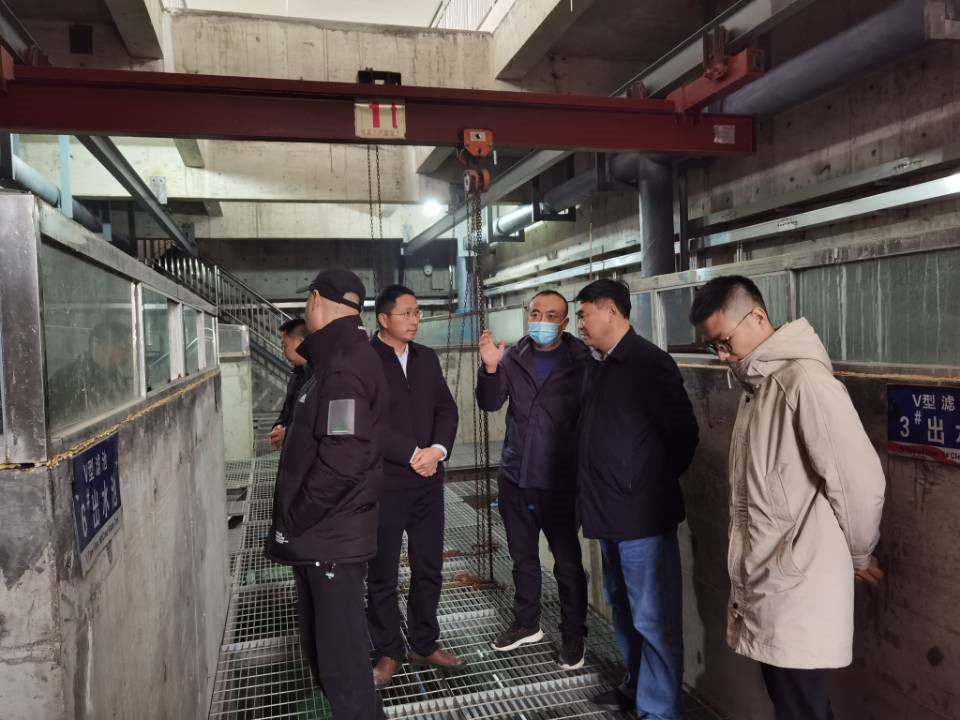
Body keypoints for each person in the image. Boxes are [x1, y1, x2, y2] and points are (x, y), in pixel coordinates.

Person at [688, 275, 885, 720]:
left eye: (724, 342)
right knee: (792, 700)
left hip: (796, 581)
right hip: (770, 578)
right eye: (714, 347)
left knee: (801, 705)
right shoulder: (758, 386)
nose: (722, 356)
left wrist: (860, 553)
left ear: (757, 317)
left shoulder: (803, 383)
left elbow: (857, 479)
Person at [264, 269, 388, 720]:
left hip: (328, 539)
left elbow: (342, 460)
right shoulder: (334, 360)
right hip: (325, 538)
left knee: (342, 668)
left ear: (316, 300)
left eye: (307, 302)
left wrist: (293, 519)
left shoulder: (343, 366)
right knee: (332, 660)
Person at [574, 278, 699, 719]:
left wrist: (643, 486)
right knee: (625, 611)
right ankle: (635, 687)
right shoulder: (599, 365)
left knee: (654, 620)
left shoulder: (649, 363)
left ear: (610, 311)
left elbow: (683, 436)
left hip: (641, 517)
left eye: (584, 314)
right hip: (608, 514)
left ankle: (659, 711)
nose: (579, 323)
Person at [476, 289, 590, 670]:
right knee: (522, 556)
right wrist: (490, 369)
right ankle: (527, 623)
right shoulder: (513, 358)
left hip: (560, 480)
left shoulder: (583, 361)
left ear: (565, 322)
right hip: (517, 475)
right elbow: (490, 402)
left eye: (552, 316)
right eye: (536, 313)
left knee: (567, 562)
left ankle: (573, 633)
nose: (542, 321)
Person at [366, 285, 463, 687]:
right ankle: (389, 650)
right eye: (405, 313)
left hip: (428, 481)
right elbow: (364, 421)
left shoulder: (426, 358)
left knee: (428, 565)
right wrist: (410, 453)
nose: (414, 320)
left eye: (417, 312)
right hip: (385, 483)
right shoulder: (364, 360)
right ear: (383, 318)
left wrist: (437, 450)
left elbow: (446, 409)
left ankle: (424, 642)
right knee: (382, 572)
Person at [268, 317, 310, 449]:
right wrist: (279, 425)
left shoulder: (319, 377)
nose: (283, 351)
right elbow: (287, 409)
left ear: (301, 343)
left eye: (285, 345)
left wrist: (289, 434)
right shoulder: (296, 374)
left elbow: (315, 423)